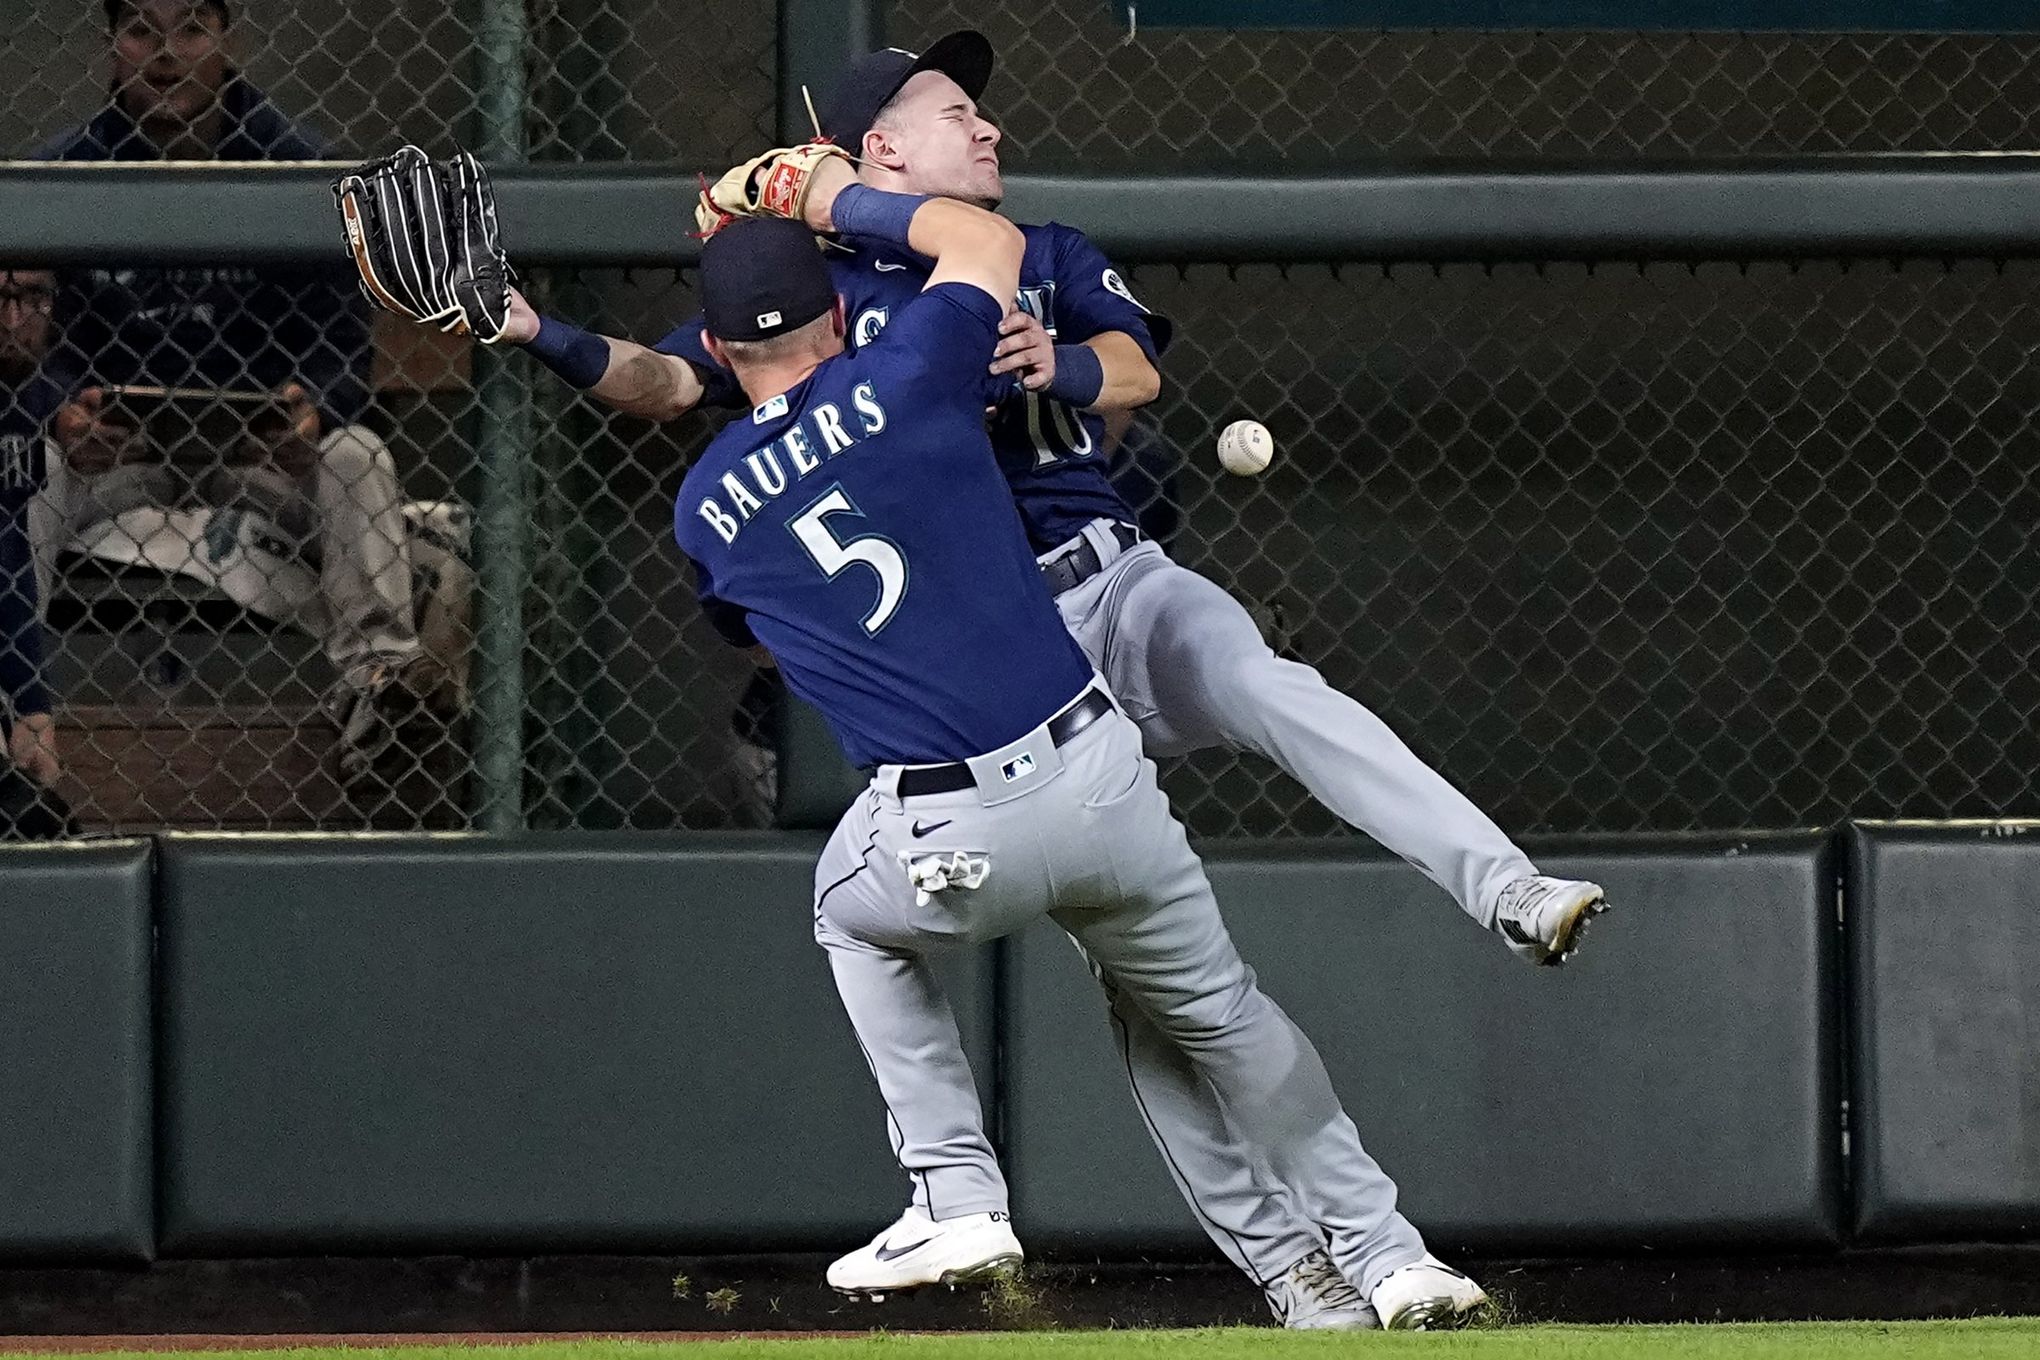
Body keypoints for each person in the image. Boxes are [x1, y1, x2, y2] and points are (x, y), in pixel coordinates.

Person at [501, 31, 1609, 1327]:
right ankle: (1303, 1271)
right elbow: (677, 376)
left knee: (1268, 685)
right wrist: (538, 330)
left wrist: (1063, 367)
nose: (991, 131)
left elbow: (1136, 372)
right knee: (1160, 997)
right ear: (878, 153)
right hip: (1014, 651)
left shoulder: (1042, 251)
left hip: (1110, 585)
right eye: (955, 111)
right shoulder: (833, 286)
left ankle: (1507, 888)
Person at [673, 150, 1492, 1329]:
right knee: (1227, 1014)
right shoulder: (912, 370)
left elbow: (756, 635)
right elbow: (984, 248)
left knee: (843, 910)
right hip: (1100, 775)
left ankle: (958, 1193)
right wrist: (829, 197)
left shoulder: (706, 502)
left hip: (945, 827)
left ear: (714, 350)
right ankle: (1390, 1256)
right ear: (842, 314)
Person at [30, 0, 445, 779]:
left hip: (260, 451)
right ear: (111, 45)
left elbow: (339, 343)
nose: (165, 53)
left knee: (357, 455)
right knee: (24, 463)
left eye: (190, 28)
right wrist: (65, 410)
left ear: (228, 39)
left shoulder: (294, 163)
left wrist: (314, 412)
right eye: (141, 31)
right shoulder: (68, 167)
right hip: (117, 452)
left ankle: (380, 691)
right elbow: (33, 340)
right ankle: (8, 706)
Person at [0, 270, 61, 792]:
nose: (12, 319)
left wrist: (32, 706)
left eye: (31, 298)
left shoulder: (21, 399)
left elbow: (8, 547)